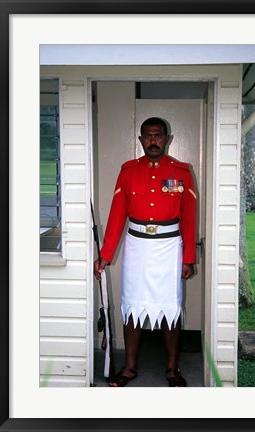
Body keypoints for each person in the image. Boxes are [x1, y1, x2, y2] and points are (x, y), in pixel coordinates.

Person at [94, 117, 197, 387]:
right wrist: (105, 255)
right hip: (137, 246)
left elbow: (188, 217)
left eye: (158, 135)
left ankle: (172, 369)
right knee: (132, 307)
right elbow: (117, 215)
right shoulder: (128, 171)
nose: (153, 140)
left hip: (169, 247)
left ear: (167, 139)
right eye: (148, 136)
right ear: (140, 140)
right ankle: (130, 367)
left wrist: (188, 259)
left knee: (171, 309)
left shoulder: (182, 172)